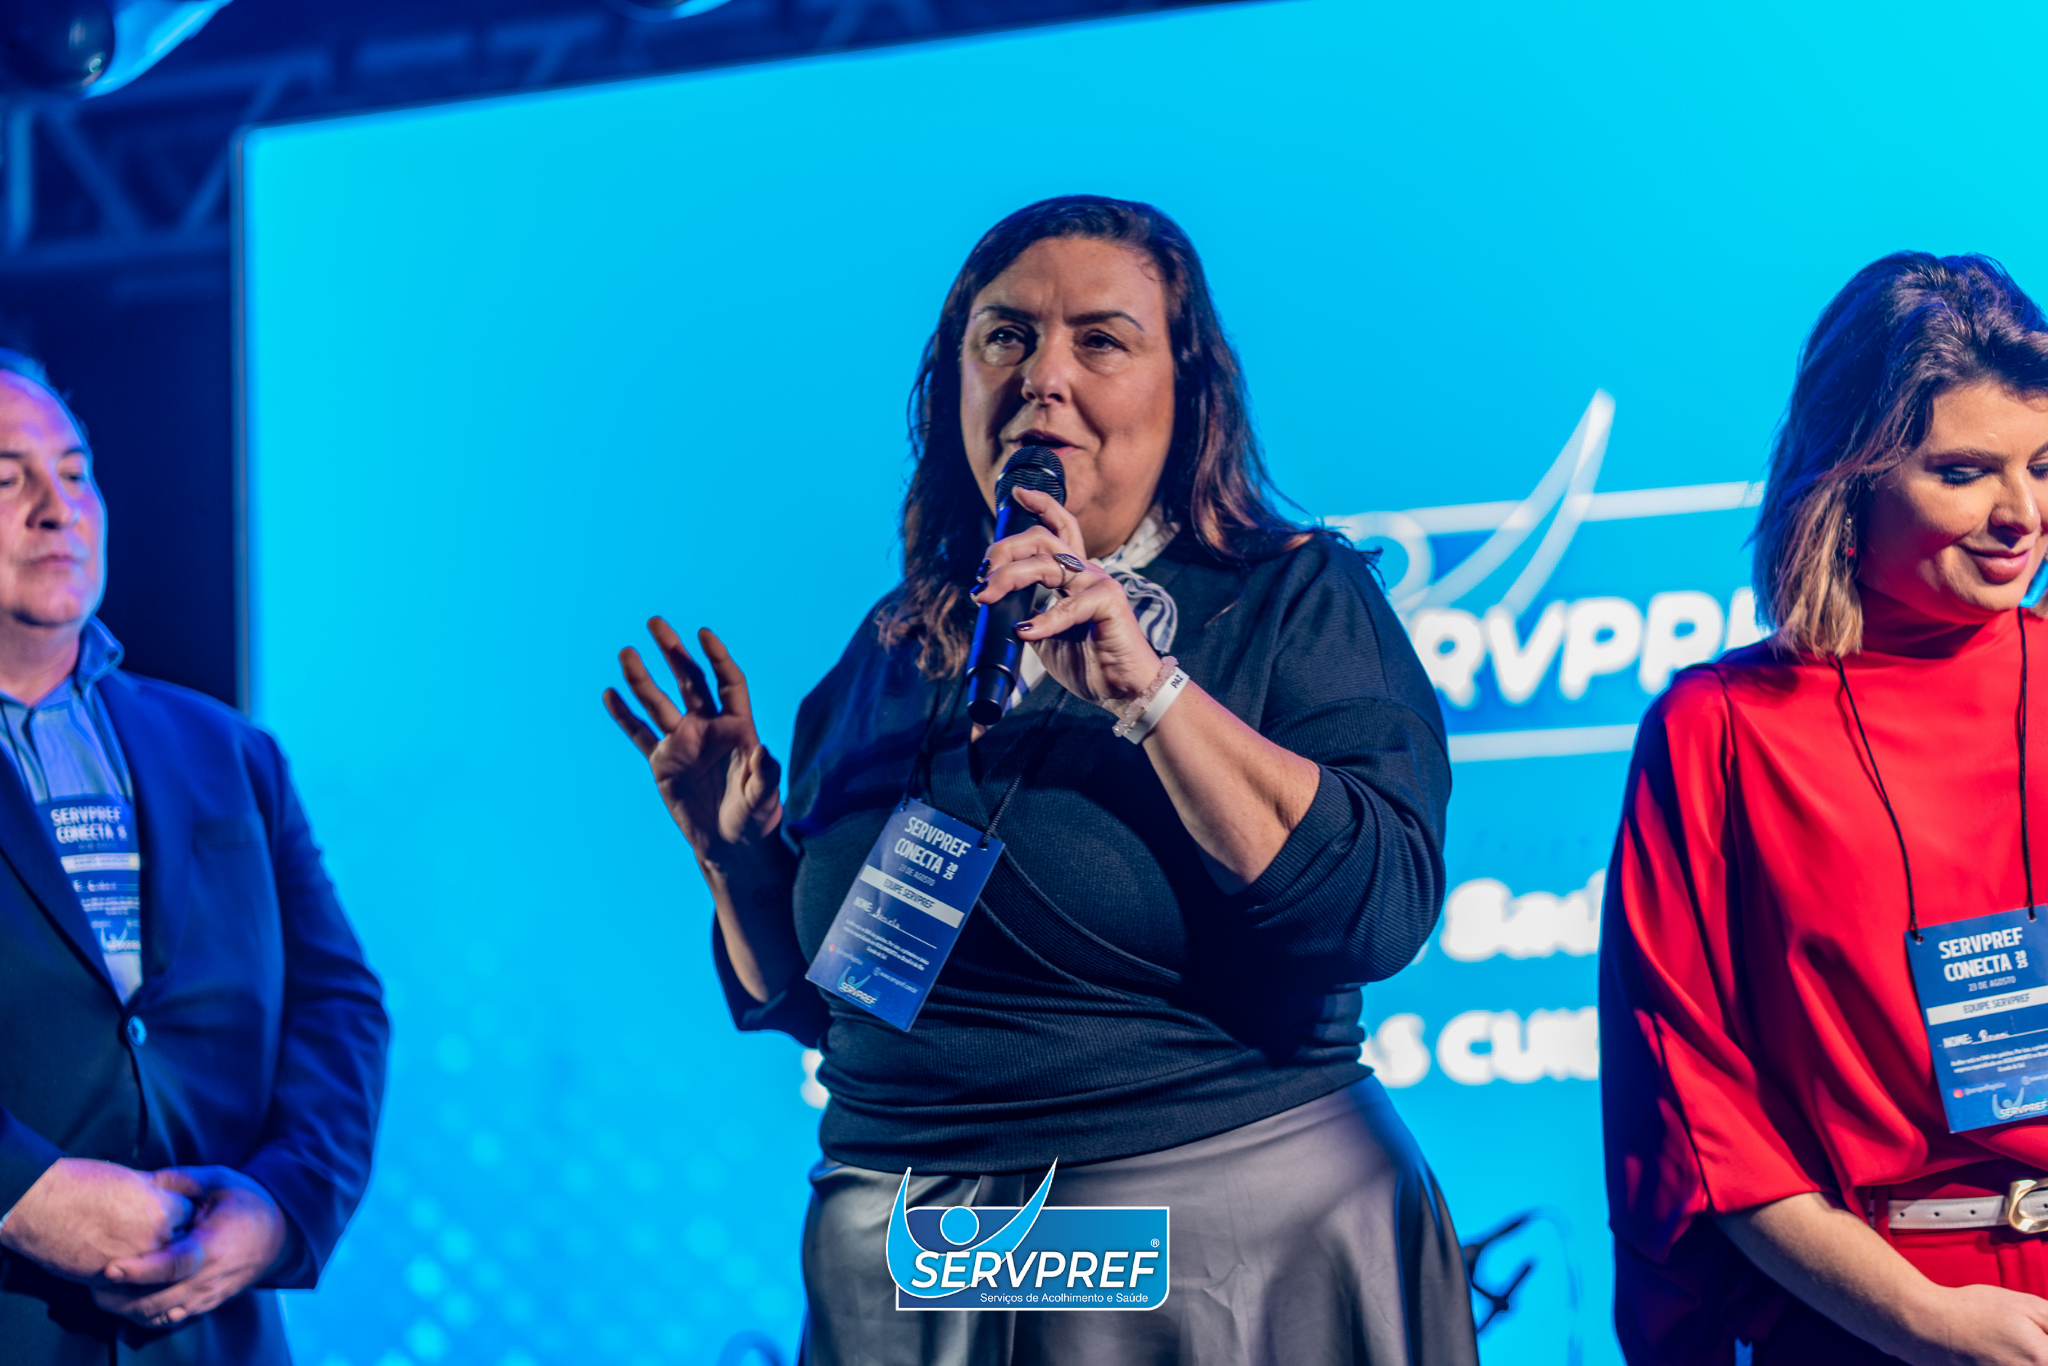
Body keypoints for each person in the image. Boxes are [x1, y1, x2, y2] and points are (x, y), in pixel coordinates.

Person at [605, 195, 1475, 1363]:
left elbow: (1374, 906)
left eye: (1099, 341)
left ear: (1187, 392)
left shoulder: (1288, 598)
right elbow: (835, 1009)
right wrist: (734, 857)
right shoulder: (892, 653)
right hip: (912, 1272)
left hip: (1214, 1261)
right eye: (1003, 337)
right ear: (953, 386)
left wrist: (1148, 695)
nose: (1042, 378)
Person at [1601, 253, 2048, 1365]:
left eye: (2043, 466)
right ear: (1848, 478)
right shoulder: (1718, 730)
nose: (2020, 515)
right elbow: (1693, 1105)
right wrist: (1923, 1321)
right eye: (1962, 472)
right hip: (1867, 1318)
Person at [0, 352, 388, 1360]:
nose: (57, 507)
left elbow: (338, 1004)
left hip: (214, 1333)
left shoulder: (228, 751)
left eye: (76, 472)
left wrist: (280, 1206)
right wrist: (20, 1192)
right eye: (7, 477)